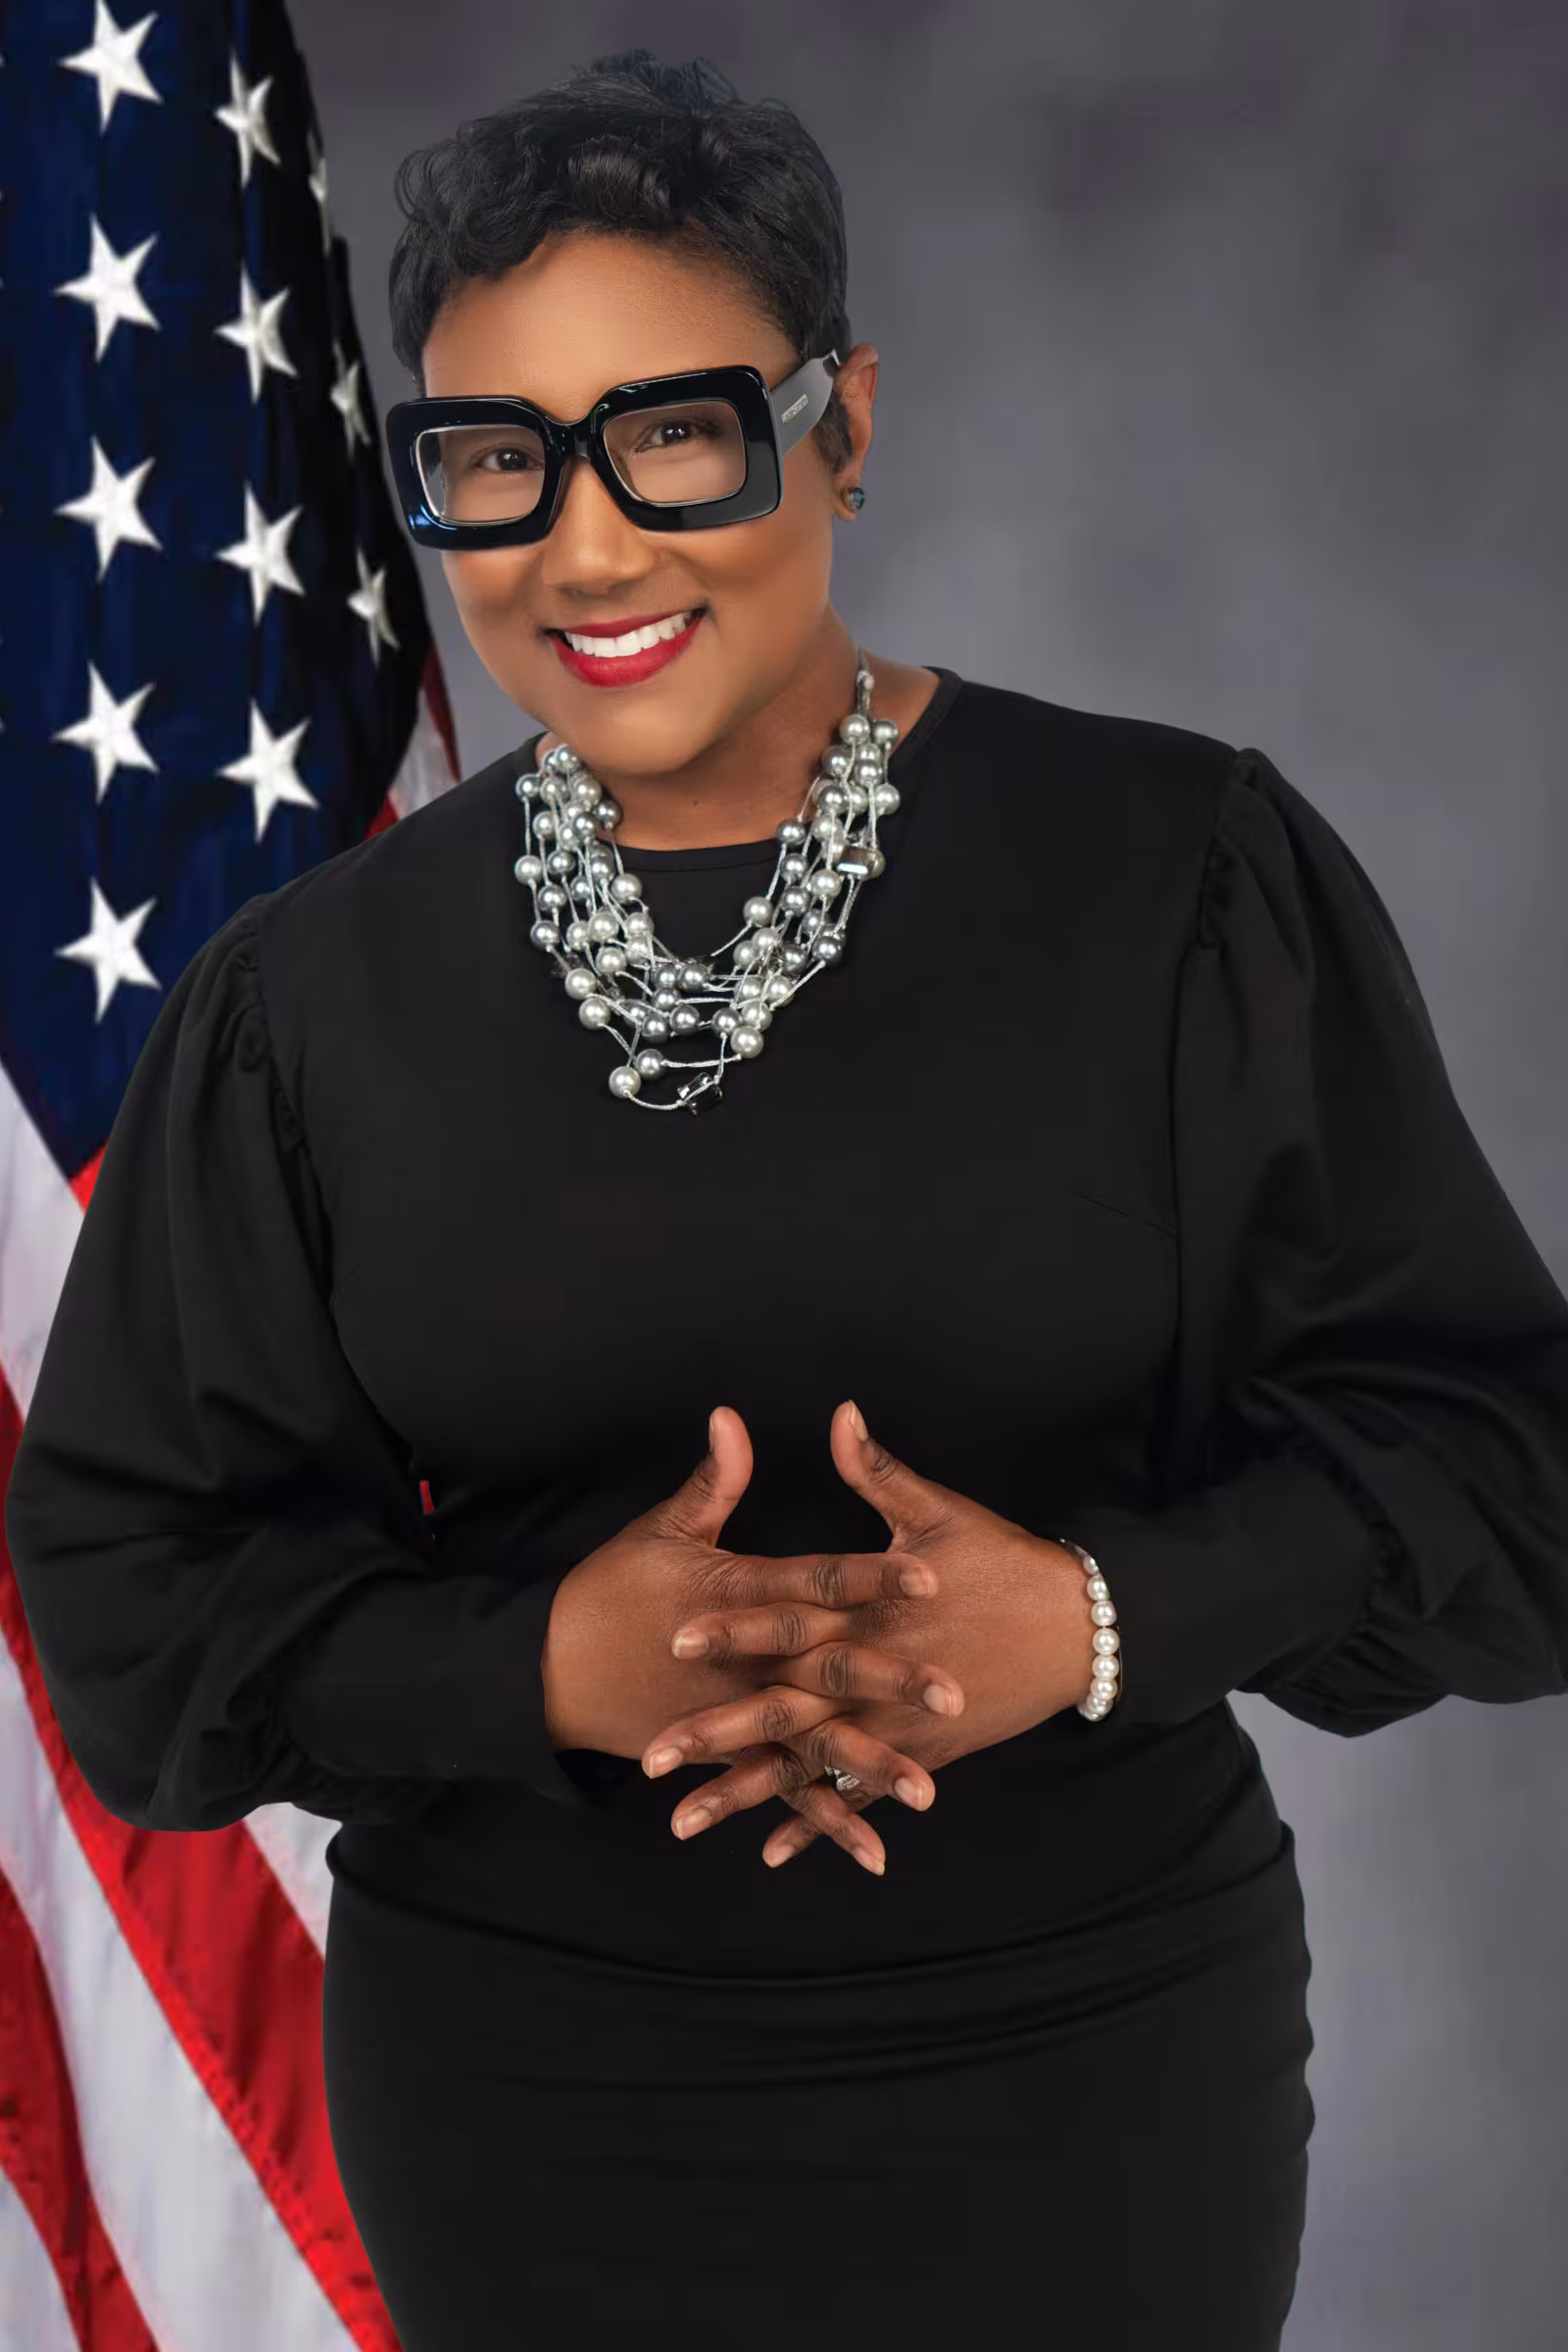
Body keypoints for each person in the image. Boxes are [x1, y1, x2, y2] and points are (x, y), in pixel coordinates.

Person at [8, 45, 1568, 2351]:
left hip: (1084, 2067)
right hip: (531, 2092)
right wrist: (547, 1663)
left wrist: (1095, 1621)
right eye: (490, 462)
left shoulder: (1176, 878)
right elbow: (131, 1605)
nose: (585, 544)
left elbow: (1505, 1483)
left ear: (838, 422)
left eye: (670, 429)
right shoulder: (306, 1001)